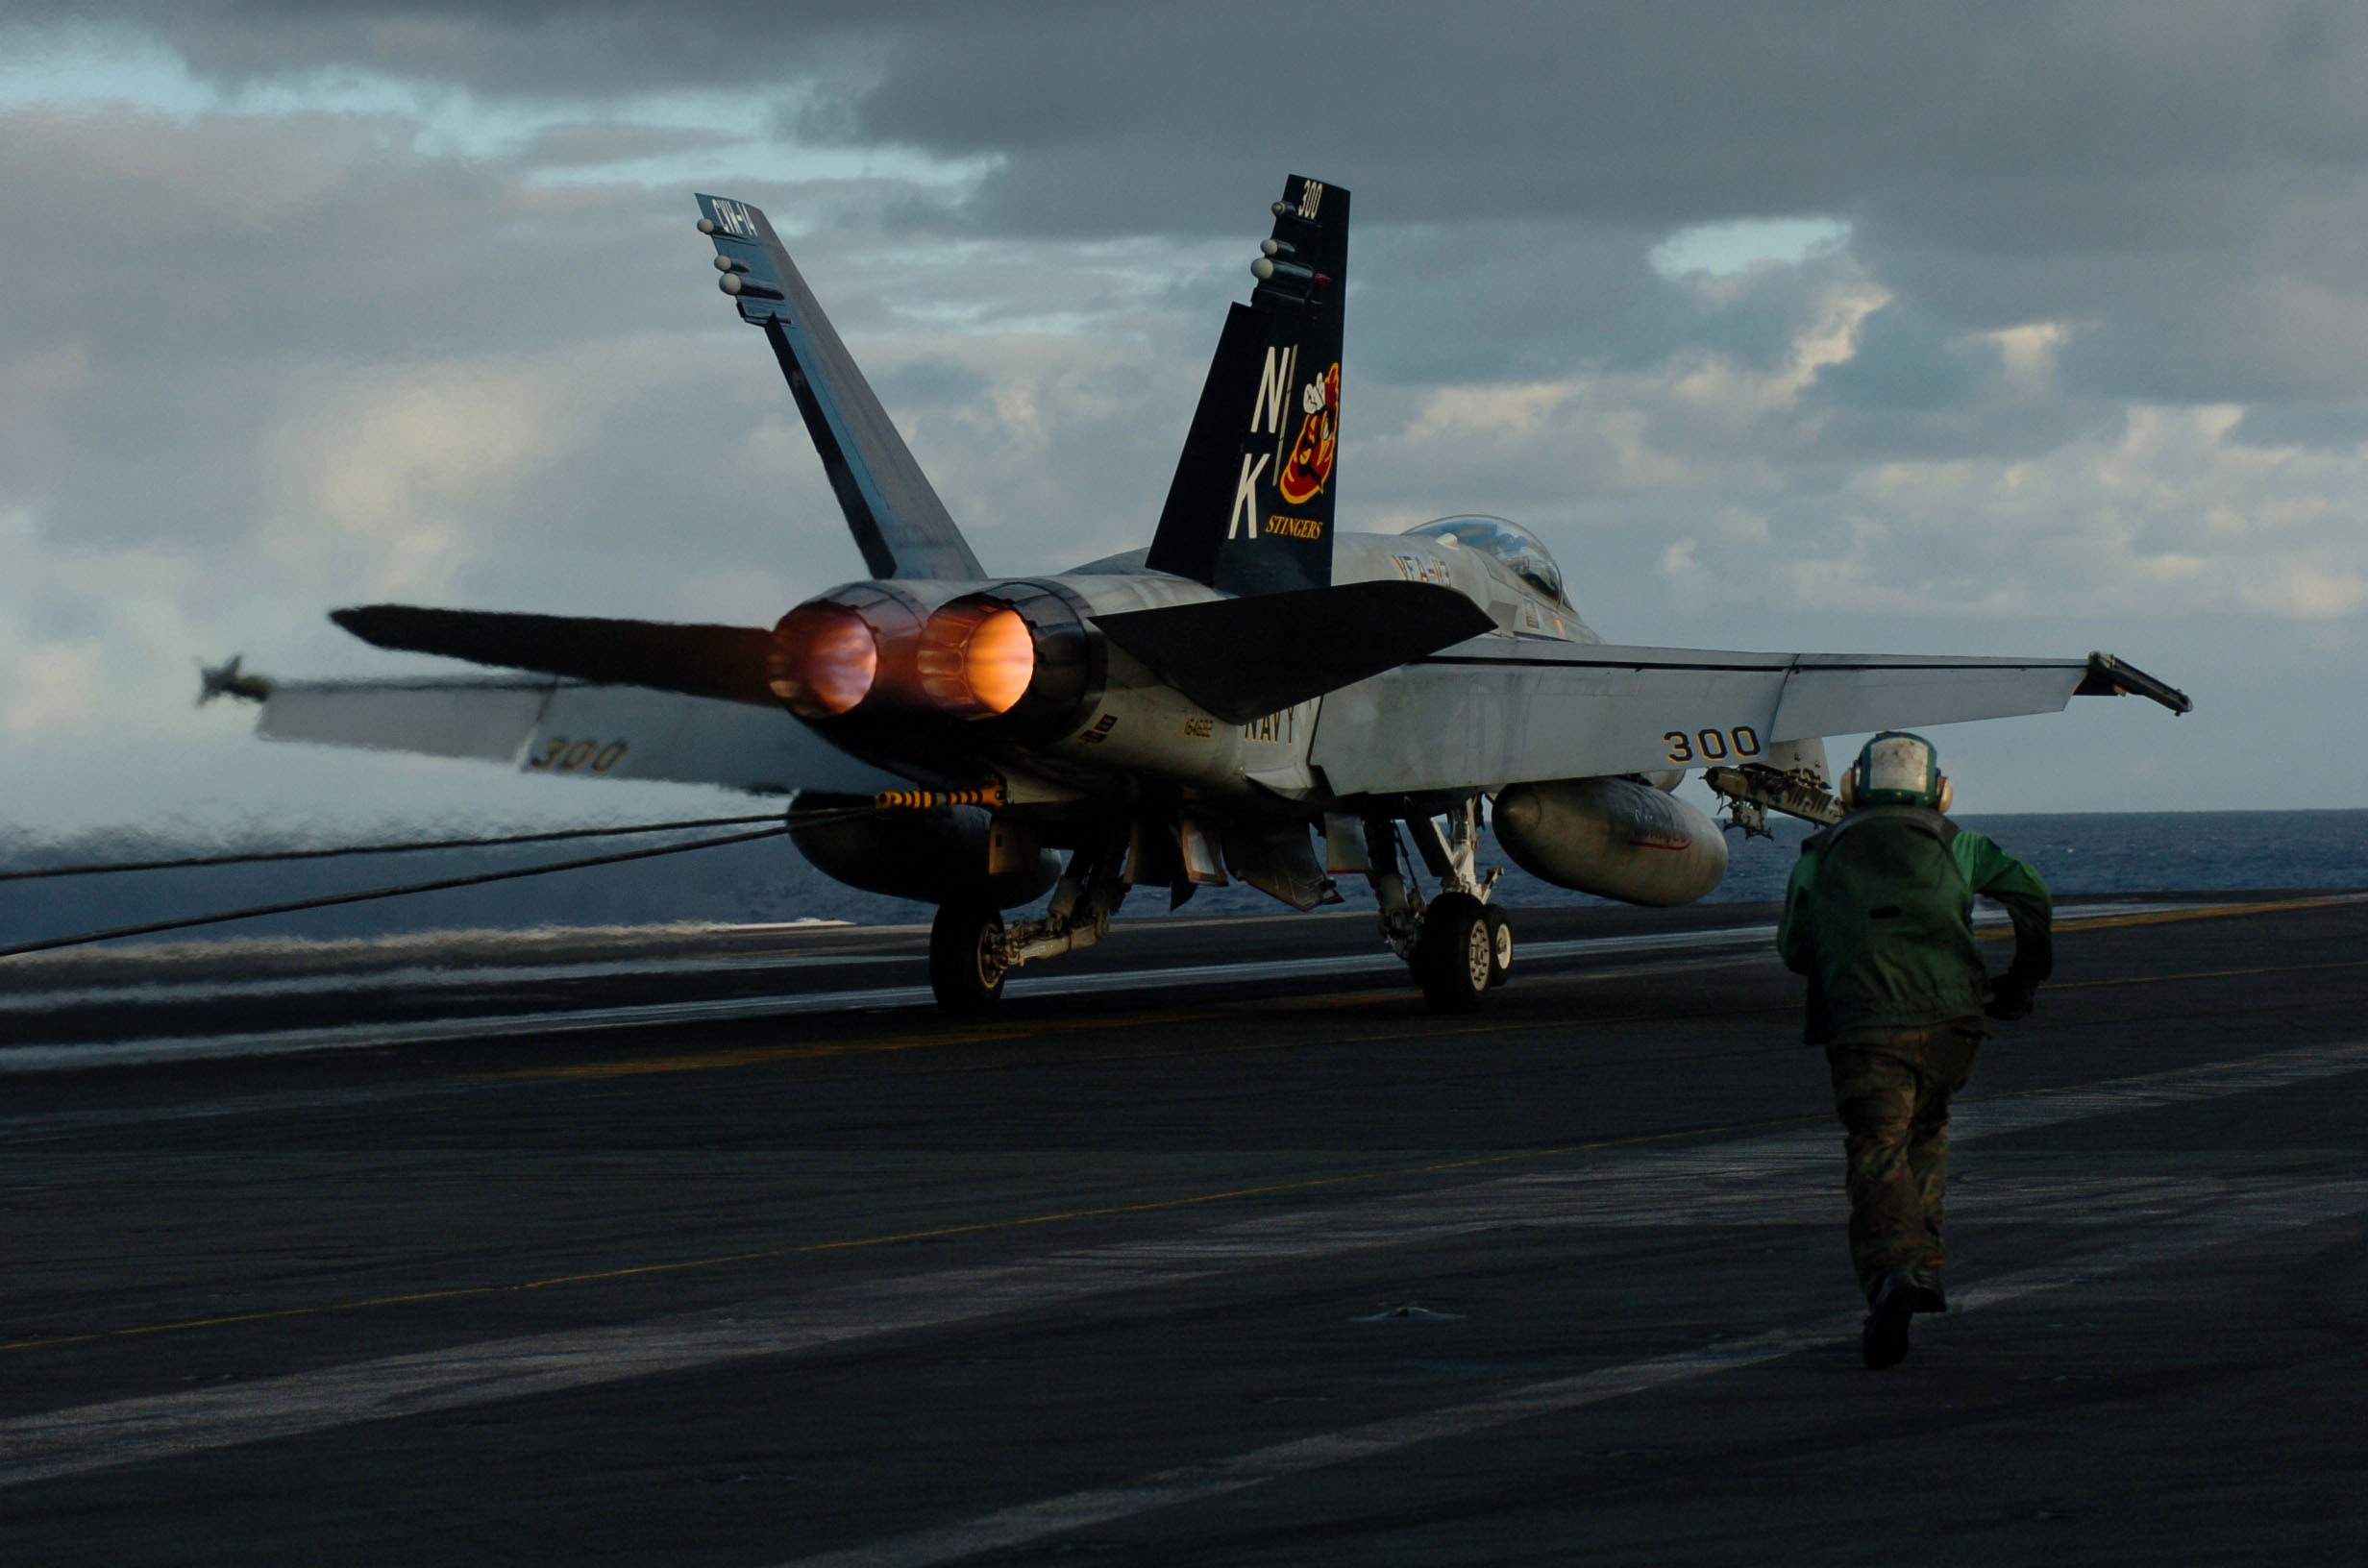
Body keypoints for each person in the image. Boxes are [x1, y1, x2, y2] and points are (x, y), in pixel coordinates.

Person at [1776, 731, 2052, 1370]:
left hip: (1866, 1031)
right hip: (1954, 1029)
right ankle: (1925, 1270)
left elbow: (1794, 950)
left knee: (1877, 1146)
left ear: (1852, 787)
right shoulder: (1960, 846)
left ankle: (1889, 1275)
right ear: (1940, 791)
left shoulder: (1821, 852)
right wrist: (2024, 976)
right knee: (1927, 1130)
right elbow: (2031, 891)